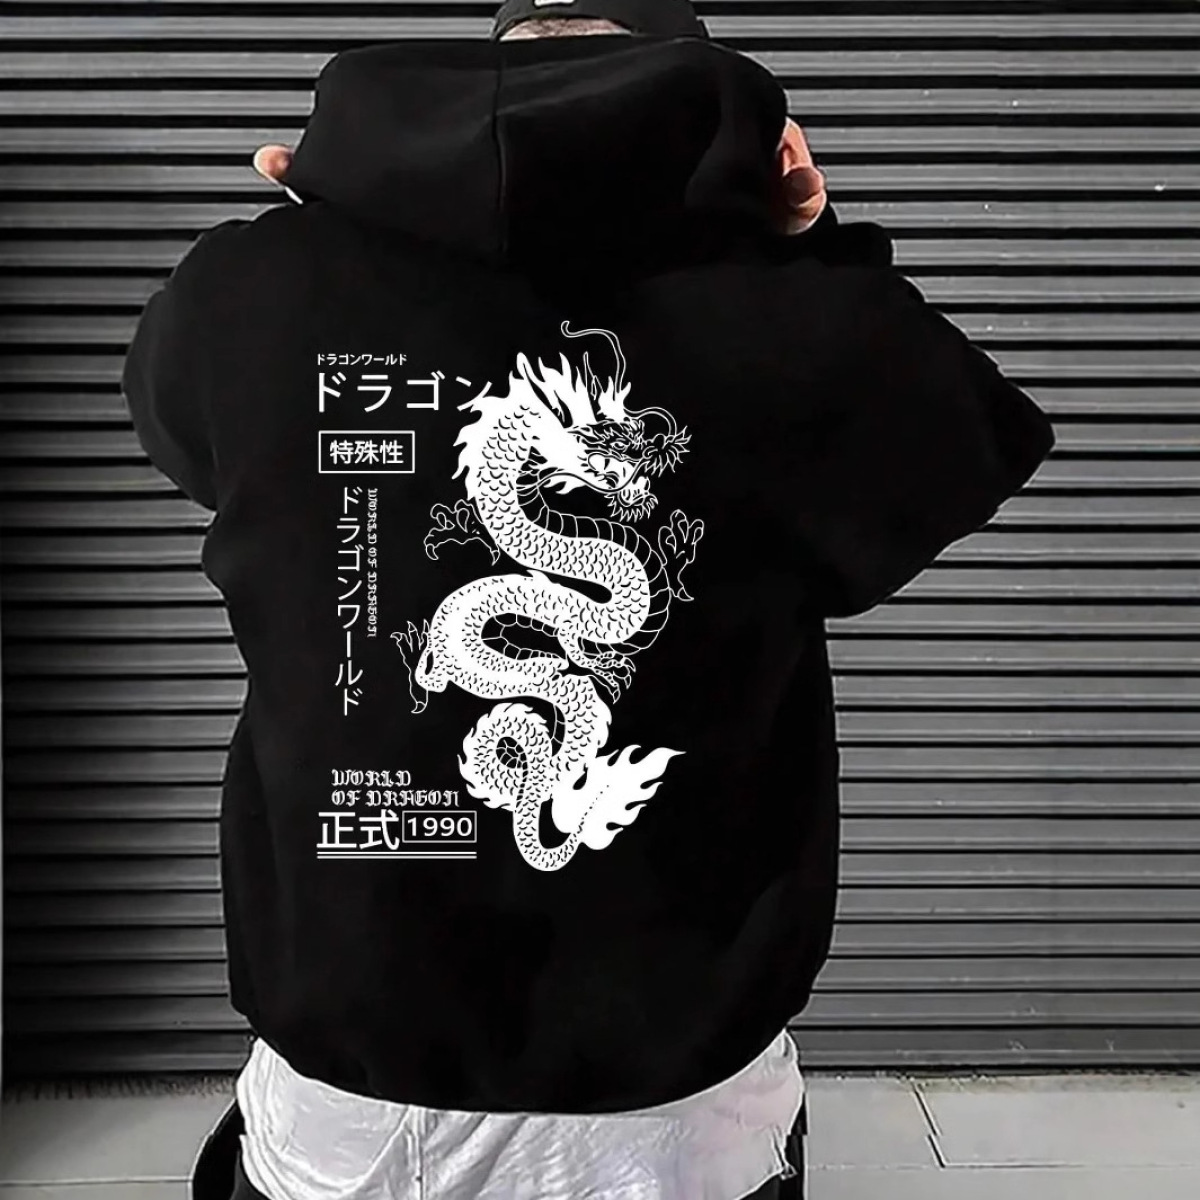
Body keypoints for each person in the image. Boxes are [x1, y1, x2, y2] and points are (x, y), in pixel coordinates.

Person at [121, 1, 1056, 1198]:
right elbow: (971, 441)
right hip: (673, 1102)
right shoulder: (805, 318)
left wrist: (325, 228)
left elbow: (198, 448)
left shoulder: (245, 285)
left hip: (348, 1076)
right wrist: (812, 245)